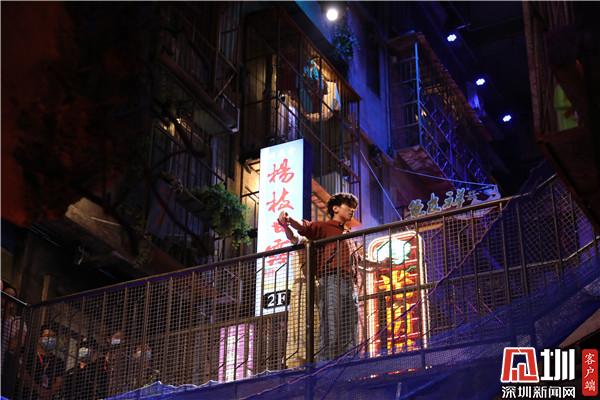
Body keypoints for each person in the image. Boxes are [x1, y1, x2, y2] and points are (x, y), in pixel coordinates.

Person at [278, 192, 359, 361]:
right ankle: (325, 367)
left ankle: (348, 365)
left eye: (354, 208)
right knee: (331, 325)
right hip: (331, 279)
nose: (352, 210)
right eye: (349, 206)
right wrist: (288, 220)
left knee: (350, 328)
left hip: (350, 283)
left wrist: (380, 263)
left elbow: (360, 259)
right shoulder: (325, 227)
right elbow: (304, 227)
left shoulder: (348, 234)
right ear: (335, 208)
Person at [22, 323, 66, 400]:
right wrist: (39, 390)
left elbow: (59, 382)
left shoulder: (59, 361)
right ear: (39, 338)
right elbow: (22, 374)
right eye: (47, 336)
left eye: (53, 337)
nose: (50, 339)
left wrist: (48, 393)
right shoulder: (27, 353)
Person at [2, 284, 28, 398]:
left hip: (6, 364)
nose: (7, 299)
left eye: (11, 297)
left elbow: (13, 345)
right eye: (5, 295)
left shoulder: (18, 322)